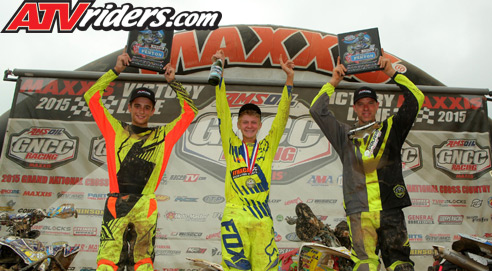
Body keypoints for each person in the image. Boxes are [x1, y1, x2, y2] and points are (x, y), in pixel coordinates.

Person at [309, 52, 424, 271]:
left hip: (390, 210)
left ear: (377, 105)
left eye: (370, 103)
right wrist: (334, 81)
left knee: (401, 266)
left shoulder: (392, 128)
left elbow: (416, 98)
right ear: (354, 108)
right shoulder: (344, 134)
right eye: (360, 104)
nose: (366, 107)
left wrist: (391, 72)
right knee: (364, 265)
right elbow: (316, 110)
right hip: (359, 212)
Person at [84, 50, 197, 271]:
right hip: (116, 202)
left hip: (145, 203)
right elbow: (91, 96)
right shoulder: (115, 130)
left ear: (153, 110)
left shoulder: (162, 136)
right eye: (137, 105)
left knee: (143, 262)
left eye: (147, 107)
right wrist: (116, 71)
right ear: (130, 107)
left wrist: (173, 83)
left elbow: (190, 112)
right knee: (107, 262)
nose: (141, 111)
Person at [213, 49, 294, 271]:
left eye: (254, 122)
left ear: (259, 125)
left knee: (266, 268)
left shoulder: (267, 146)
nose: (249, 126)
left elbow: (281, 117)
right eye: (245, 122)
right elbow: (222, 111)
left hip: (260, 215)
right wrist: (219, 72)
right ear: (238, 125)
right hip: (234, 215)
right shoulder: (231, 144)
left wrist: (289, 80)